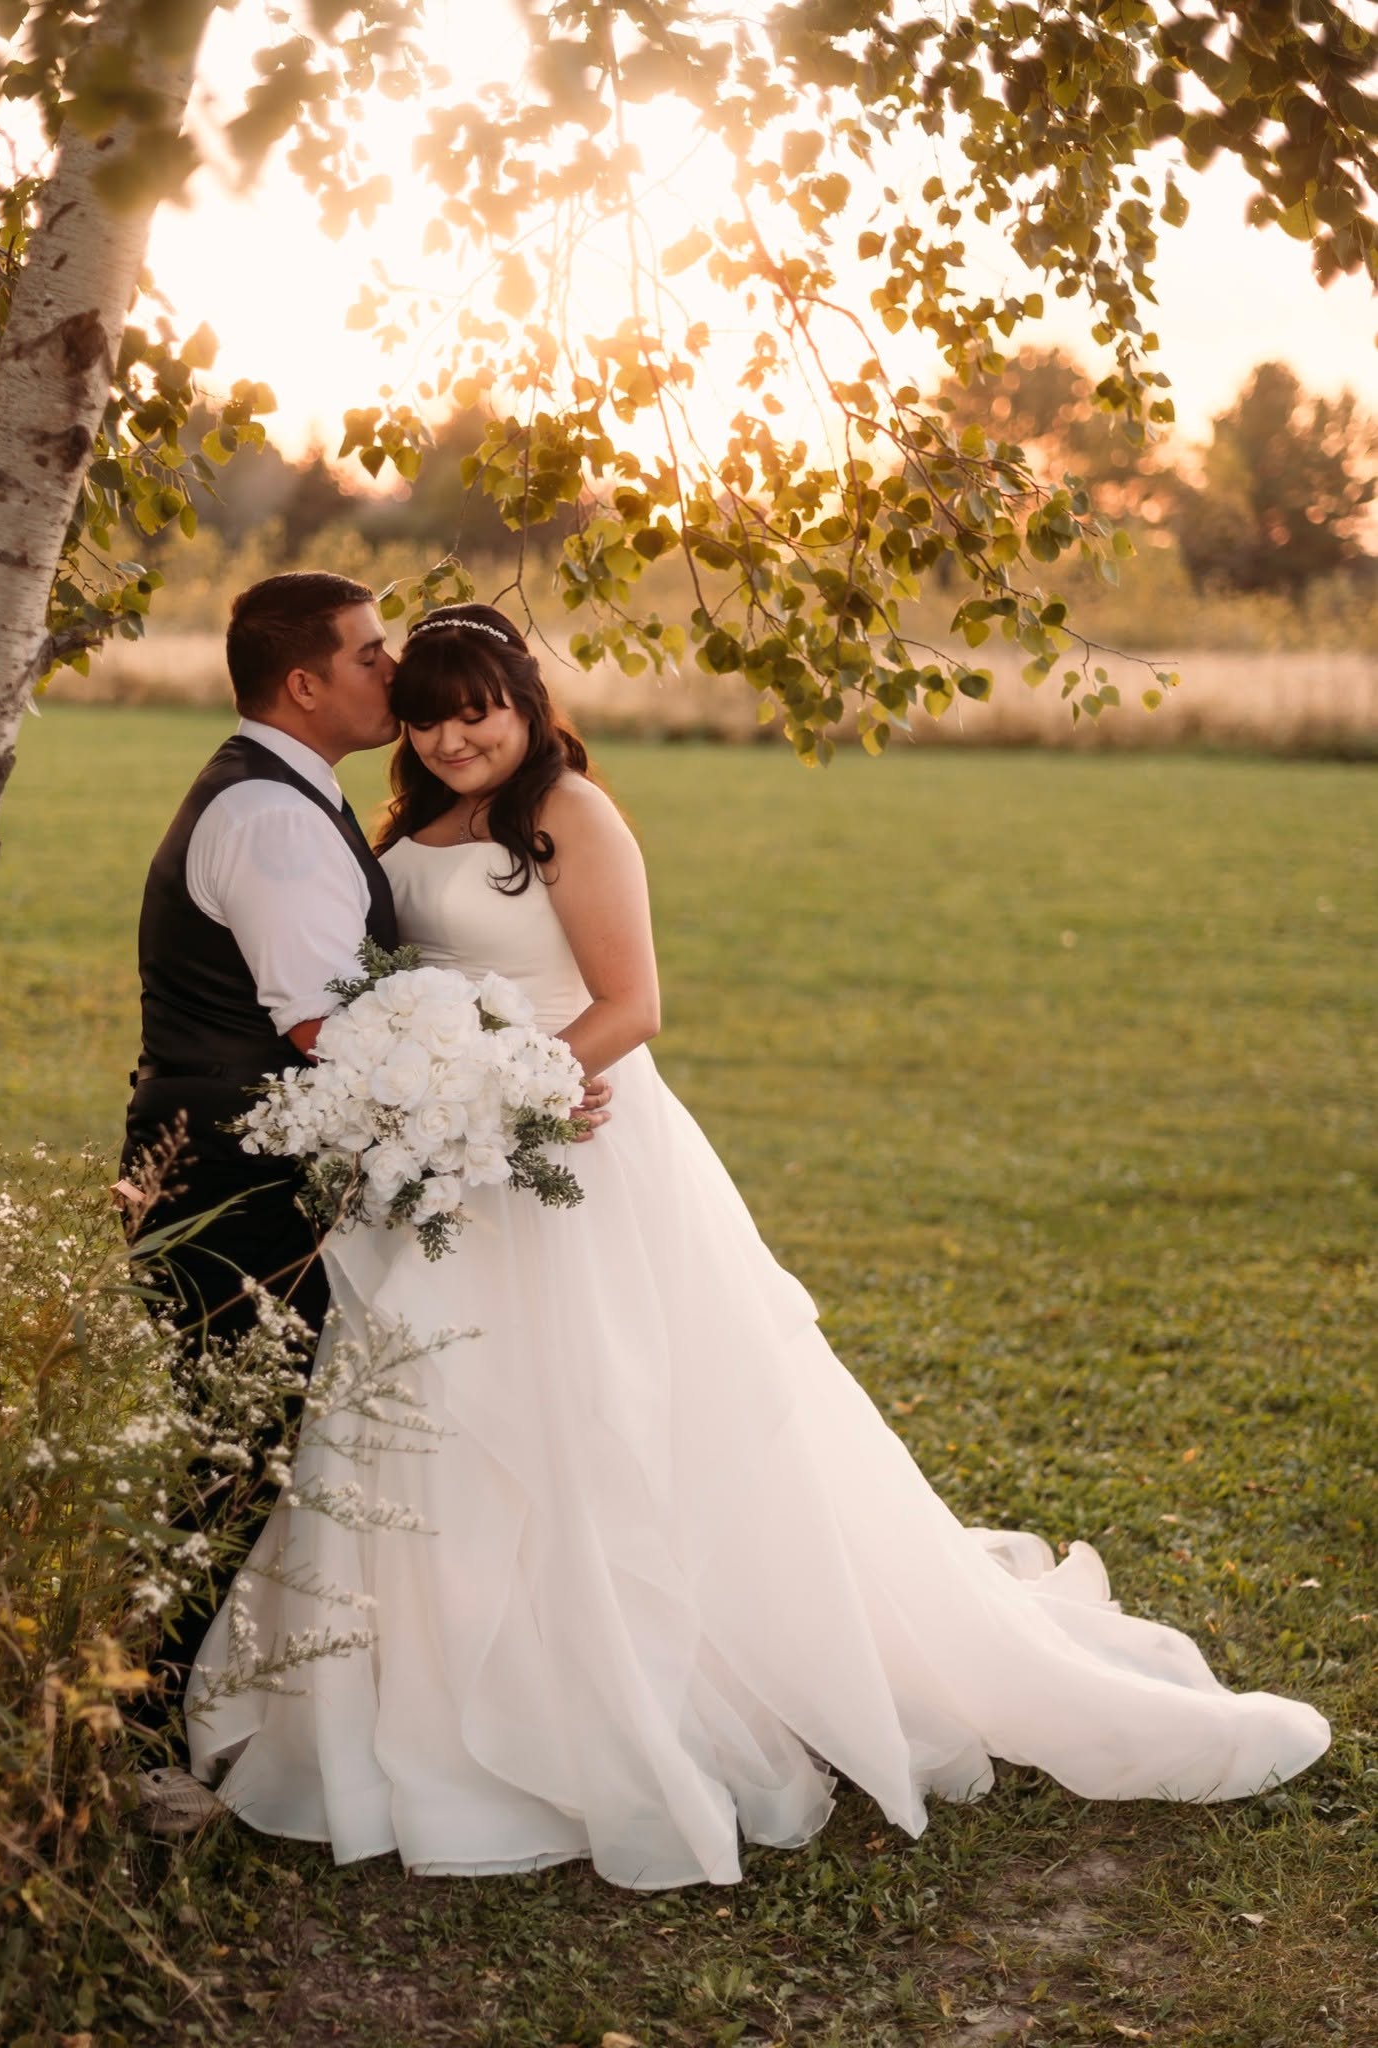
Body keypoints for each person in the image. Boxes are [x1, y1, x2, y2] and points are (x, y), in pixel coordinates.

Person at [185, 602, 1331, 1888]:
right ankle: (435, 1701)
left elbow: (635, 1003)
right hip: (468, 1164)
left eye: (478, 708)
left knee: (607, 1414)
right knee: (446, 1415)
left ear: (522, 701)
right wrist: (453, 1110)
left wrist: (502, 1093)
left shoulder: (569, 813)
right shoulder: (408, 828)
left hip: (578, 1150)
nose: (453, 735)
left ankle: (643, 1680)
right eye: (429, 712)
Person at [119, 570, 402, 1831]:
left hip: (227, 1155)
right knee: (227, 1457)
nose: (390, 672)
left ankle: (167, 1705)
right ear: (306, 681)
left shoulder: (282, 791)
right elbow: (323, 1023)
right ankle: (128, 1734)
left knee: (238, 1445)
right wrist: (480, 1080)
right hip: (232, 1176)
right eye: (371, 653)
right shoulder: (277, 821)